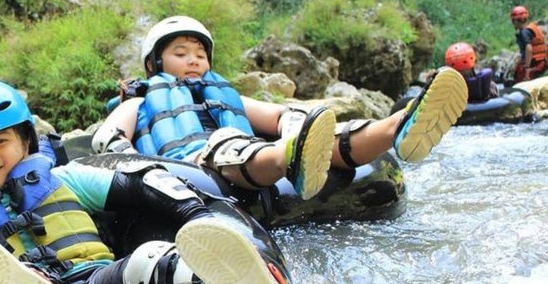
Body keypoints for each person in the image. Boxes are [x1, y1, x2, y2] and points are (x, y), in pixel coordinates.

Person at [0, 79, 291, 284]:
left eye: (0, 141)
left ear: (25, 142)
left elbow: (139, 183)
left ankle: (226, 278)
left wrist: (196, 215)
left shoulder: (65, 178)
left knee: (149, 260)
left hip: (96, 280)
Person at [92, 16, 468, 187]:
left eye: (200, 55)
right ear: (154, 64)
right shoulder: (140, 103)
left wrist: (296, 126)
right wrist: (143, 175)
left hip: (247, 155)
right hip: (188, 169)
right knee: (228, 143)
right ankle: (290, 158)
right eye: (180, 53)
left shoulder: (222, 94)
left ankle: (397, 127)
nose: (193, 61)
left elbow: (276, 115)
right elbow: (107, 139)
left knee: (316, 133)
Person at [510, 5, 546, 83]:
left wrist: (527, 67)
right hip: (541, 62)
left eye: (513, 21)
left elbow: (529, 48)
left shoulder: (524, 32)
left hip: (533, 63)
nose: (513, 23)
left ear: (516, 21)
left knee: (519, 78)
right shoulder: (532, 28)